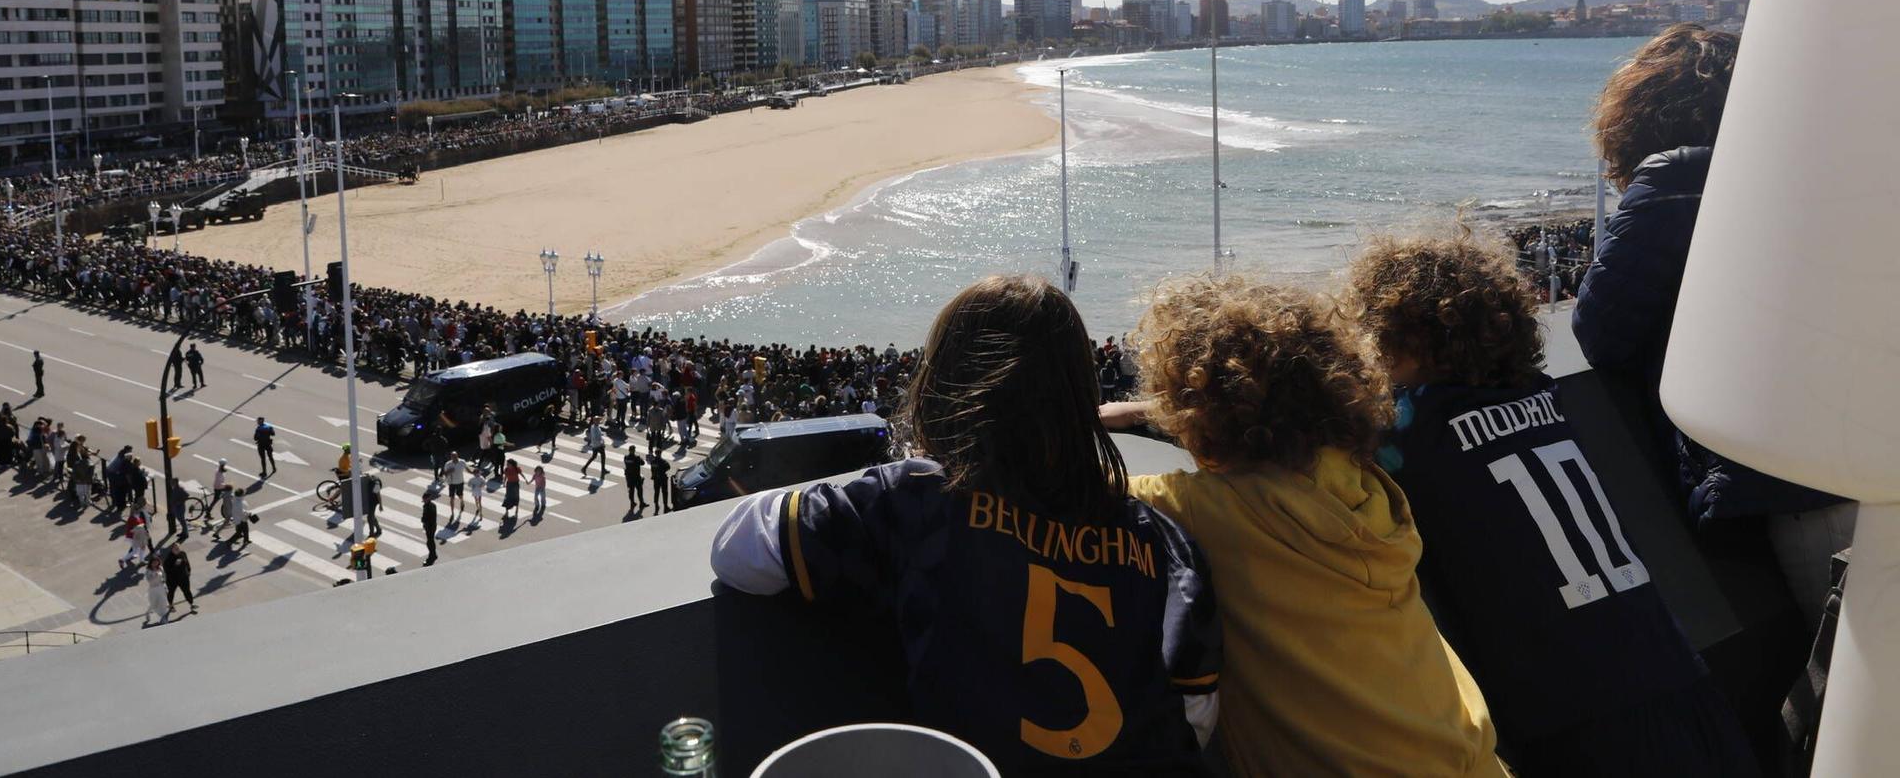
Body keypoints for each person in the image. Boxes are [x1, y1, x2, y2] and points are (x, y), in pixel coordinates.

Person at [713, 275, 1221, 774]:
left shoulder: (920, 500)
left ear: (945, 387)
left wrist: (897, 474)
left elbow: (738, 550)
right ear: (1083, 397)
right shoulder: (1163, 541)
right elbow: (1194, 720)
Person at [1346, 228, 1758, 777]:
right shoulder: (1543, 396)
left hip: (1568, 705)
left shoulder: (1409, 432)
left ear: (1398, 339)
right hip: (1673, 667)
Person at [1108, 273, 1504, 777]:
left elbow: (1081, 483)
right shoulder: (1363, 483)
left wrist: (1121, 416)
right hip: (1464, 749)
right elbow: (1278, 423)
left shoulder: (1208, 510)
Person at [1572, 24, 1853, 625]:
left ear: (1642, 111)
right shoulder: (1817, 167)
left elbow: (1599, 331)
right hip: (1853, 447)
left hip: (1785, 482)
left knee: (1835, 672)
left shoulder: (1676, 178)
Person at [165, 538, 196, 614]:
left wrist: (188, 572)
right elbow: (167, 571)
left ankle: (191, 604)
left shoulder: (183, 554)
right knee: (171, 592)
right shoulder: (168, 559)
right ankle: (171, 605)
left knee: (187, 591)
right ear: (172, 549)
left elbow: (187, 563)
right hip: (173, 580)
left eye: (178, 548)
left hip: (183, 577)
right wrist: (175, 565)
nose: (177, 550)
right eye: (175, 549)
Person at [144, 550, 171, 626]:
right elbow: (148, 580)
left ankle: (163, 618)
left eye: (157, 562)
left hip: (161, 588)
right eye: (154, 562)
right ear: (151, 563)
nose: (155, 564)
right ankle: (148, 612)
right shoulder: (148, 571)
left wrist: (164, 582)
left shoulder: (160, 568)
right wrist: (154, 576)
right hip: (153, 589)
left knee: (163, 603)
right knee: (153, 604)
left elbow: (164, 576)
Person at [442, 451, 467, 525]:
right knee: (452, 498)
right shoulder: (448, 464)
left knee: (460, 495)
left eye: (455, 456)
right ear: (451, 457)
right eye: (453, 456)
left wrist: (473, 472)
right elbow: (445, 473)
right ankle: (452, 513)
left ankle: (462, 501)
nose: (454, 458)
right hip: (452, 483)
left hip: (460, 482)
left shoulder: (462, 462)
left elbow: (466, 468)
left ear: (457, 456)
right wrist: (449, 471)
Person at [224, 485, 250, 549]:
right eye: (243, 493)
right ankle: (229, 542)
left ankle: (246, 540)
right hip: (241, 520)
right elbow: (241, 512)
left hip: (238, 518)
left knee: (245, 530)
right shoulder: (240, 503)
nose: (244, 494)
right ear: (241, 495)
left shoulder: (236, 499)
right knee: (239, 533)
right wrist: (248, 513)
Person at [622, 444, 644, 512]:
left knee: (631, 491)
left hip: (629, 477)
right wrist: (640, 458)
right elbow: (643, 463)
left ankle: (632, 502)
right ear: (634, 450)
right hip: (636, 477)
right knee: (639, 490)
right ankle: (641, 503)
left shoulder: (626, 457)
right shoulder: (636, 458)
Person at [422, 484, 440, 565]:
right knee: (430, 541)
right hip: (429, 526)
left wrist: (424, 520)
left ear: (428, 499)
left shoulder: (430, 506)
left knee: (430, 542)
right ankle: (433, 554)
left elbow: (430, 517)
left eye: (425, 499)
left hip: (430, 526)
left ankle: (432, 555)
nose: (424, 501)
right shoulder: (428, 505)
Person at [649, 447, 670, 515]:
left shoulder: (653, 461)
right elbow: (668, 467)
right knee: (664, 492)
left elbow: (652, 469)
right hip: (662, 479)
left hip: (656, 479)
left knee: (656, 493)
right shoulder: (663, 461)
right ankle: (665, 506)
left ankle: (656, 505)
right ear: (660, 453)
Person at [502, 457, 521, 521]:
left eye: (508, 464)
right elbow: (505, 476)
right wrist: (504, 483)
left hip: (515, 484)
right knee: (507, 498)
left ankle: (516, 512)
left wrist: (526, 479)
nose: (507, 465)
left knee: (516, 497)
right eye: (507, 464)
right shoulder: (506, 469)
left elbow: (521, 474)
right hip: (509, 484)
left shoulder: (516, 469)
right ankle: (506, 513)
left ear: (512, 464)